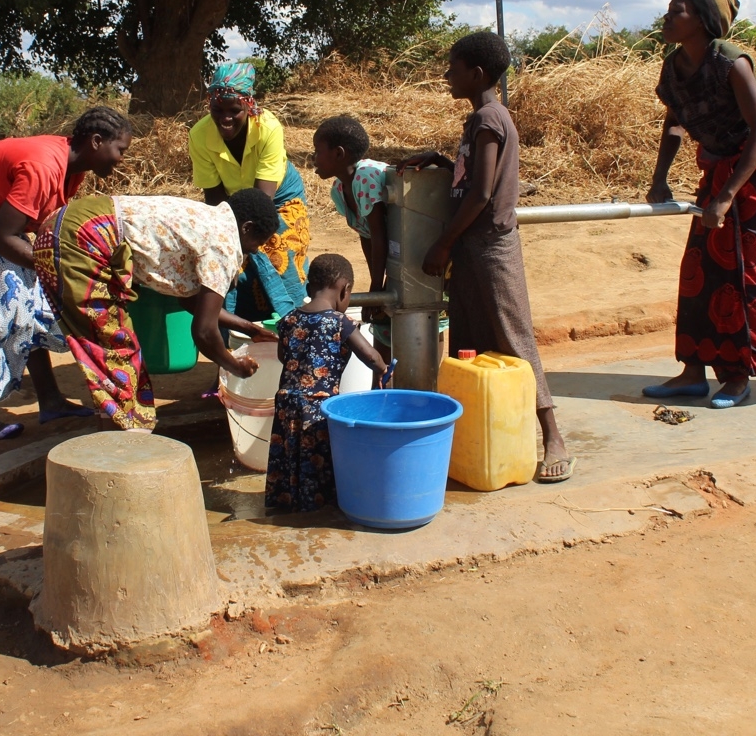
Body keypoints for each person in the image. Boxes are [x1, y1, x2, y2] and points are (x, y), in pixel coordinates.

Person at [401, 31, 575, 483]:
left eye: (453, 68)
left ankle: (553, 437)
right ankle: (478, 438)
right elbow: (473, 178)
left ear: (476, 74)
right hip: (471, 245)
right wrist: (442, 161)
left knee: (514, 337)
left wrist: (443, 244)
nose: (446, 75)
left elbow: (481, 194)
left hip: (492, 246)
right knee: (471, 342)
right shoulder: (480, 118)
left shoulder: (489, 118)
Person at [0, 106, 132, 448]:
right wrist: (57, 266)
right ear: (95, 141)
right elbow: (3, 239)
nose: (121, 159)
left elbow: (37, 226)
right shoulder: (43, 167)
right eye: (120, 150)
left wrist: (58, 265)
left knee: (34, 296)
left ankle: (51, 401)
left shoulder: (72, 170)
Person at [643, 0, 756, 407]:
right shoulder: (674, 66)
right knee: (700, 268)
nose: (667, 17)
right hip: (719, 170)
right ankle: (692, 373)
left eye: (677, 10)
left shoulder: (730, 62)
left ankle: (738, 376)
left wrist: (726, 196)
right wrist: (659, 178)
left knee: (748, 273)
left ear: (702, 20)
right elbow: (675, 123)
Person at [33, 187, 280, 432]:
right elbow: (204, 332)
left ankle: (118, 436)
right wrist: (235, 366)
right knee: (117, 356)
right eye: (258, 242)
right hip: (83, 239)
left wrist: (249, 329)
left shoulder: (209, 220)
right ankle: (118, 445)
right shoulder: (224, 243)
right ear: (246, 228)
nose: (255, 250)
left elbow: (189, 301)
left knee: (110, 357)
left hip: (63, 228)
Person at [266, 254, 388, 513]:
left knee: (289, 453)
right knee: (316, 459)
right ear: (345, 289)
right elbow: (370, 355)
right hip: (318, 405)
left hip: (286, 401)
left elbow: (283, 356)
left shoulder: (288, 319)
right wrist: (382, 370)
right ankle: (316, 509)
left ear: (309, 287)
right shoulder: (340, 322)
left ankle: (287, 505)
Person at [189, 62, 311, 321]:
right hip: (234, 203)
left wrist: (244, 245)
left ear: (249, 105)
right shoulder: (199, 136)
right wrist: (230, 245)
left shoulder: (268, 128)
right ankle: (243, 326)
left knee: (278, 249)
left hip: (279, 196)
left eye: (234, 110)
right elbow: (215, 200)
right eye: (217, 110)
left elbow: (263, 201)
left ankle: (295, 319)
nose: (225, 118)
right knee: (228, 262)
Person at [311, 115, 390, 295]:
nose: (313, 158)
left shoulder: (365, 177)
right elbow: (367, 235)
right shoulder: (339, 189)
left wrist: (376, 288)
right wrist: (376, 285)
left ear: (339, 154)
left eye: (317, 151)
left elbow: (379, 235)